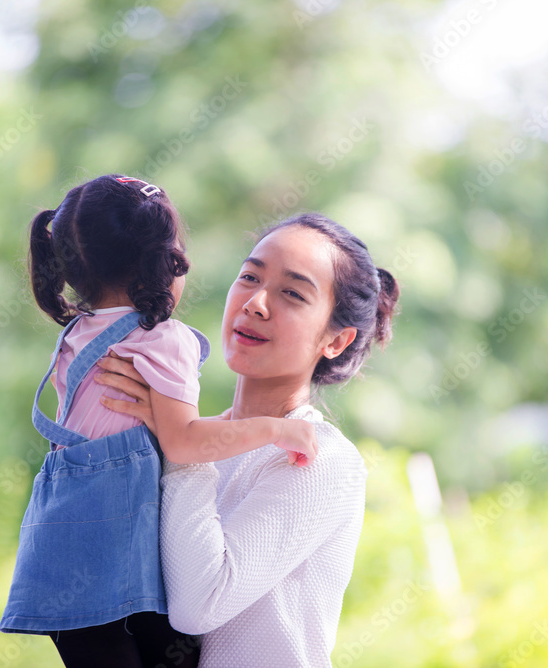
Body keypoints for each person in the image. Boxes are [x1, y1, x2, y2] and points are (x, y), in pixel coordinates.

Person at [0, 175, 319, 668]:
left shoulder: (76, 335)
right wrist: (277, 429)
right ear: (165, 265)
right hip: (119, 554)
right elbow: (185, 443)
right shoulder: (163, 341)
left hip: (58, 552)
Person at [97, 212, 400, 667]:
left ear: (336, 340)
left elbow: (200, 604)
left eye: (293, 293)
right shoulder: (177, 439)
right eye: (249, 277)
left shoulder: (319, 456)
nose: (256, 303)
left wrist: (184, 446)